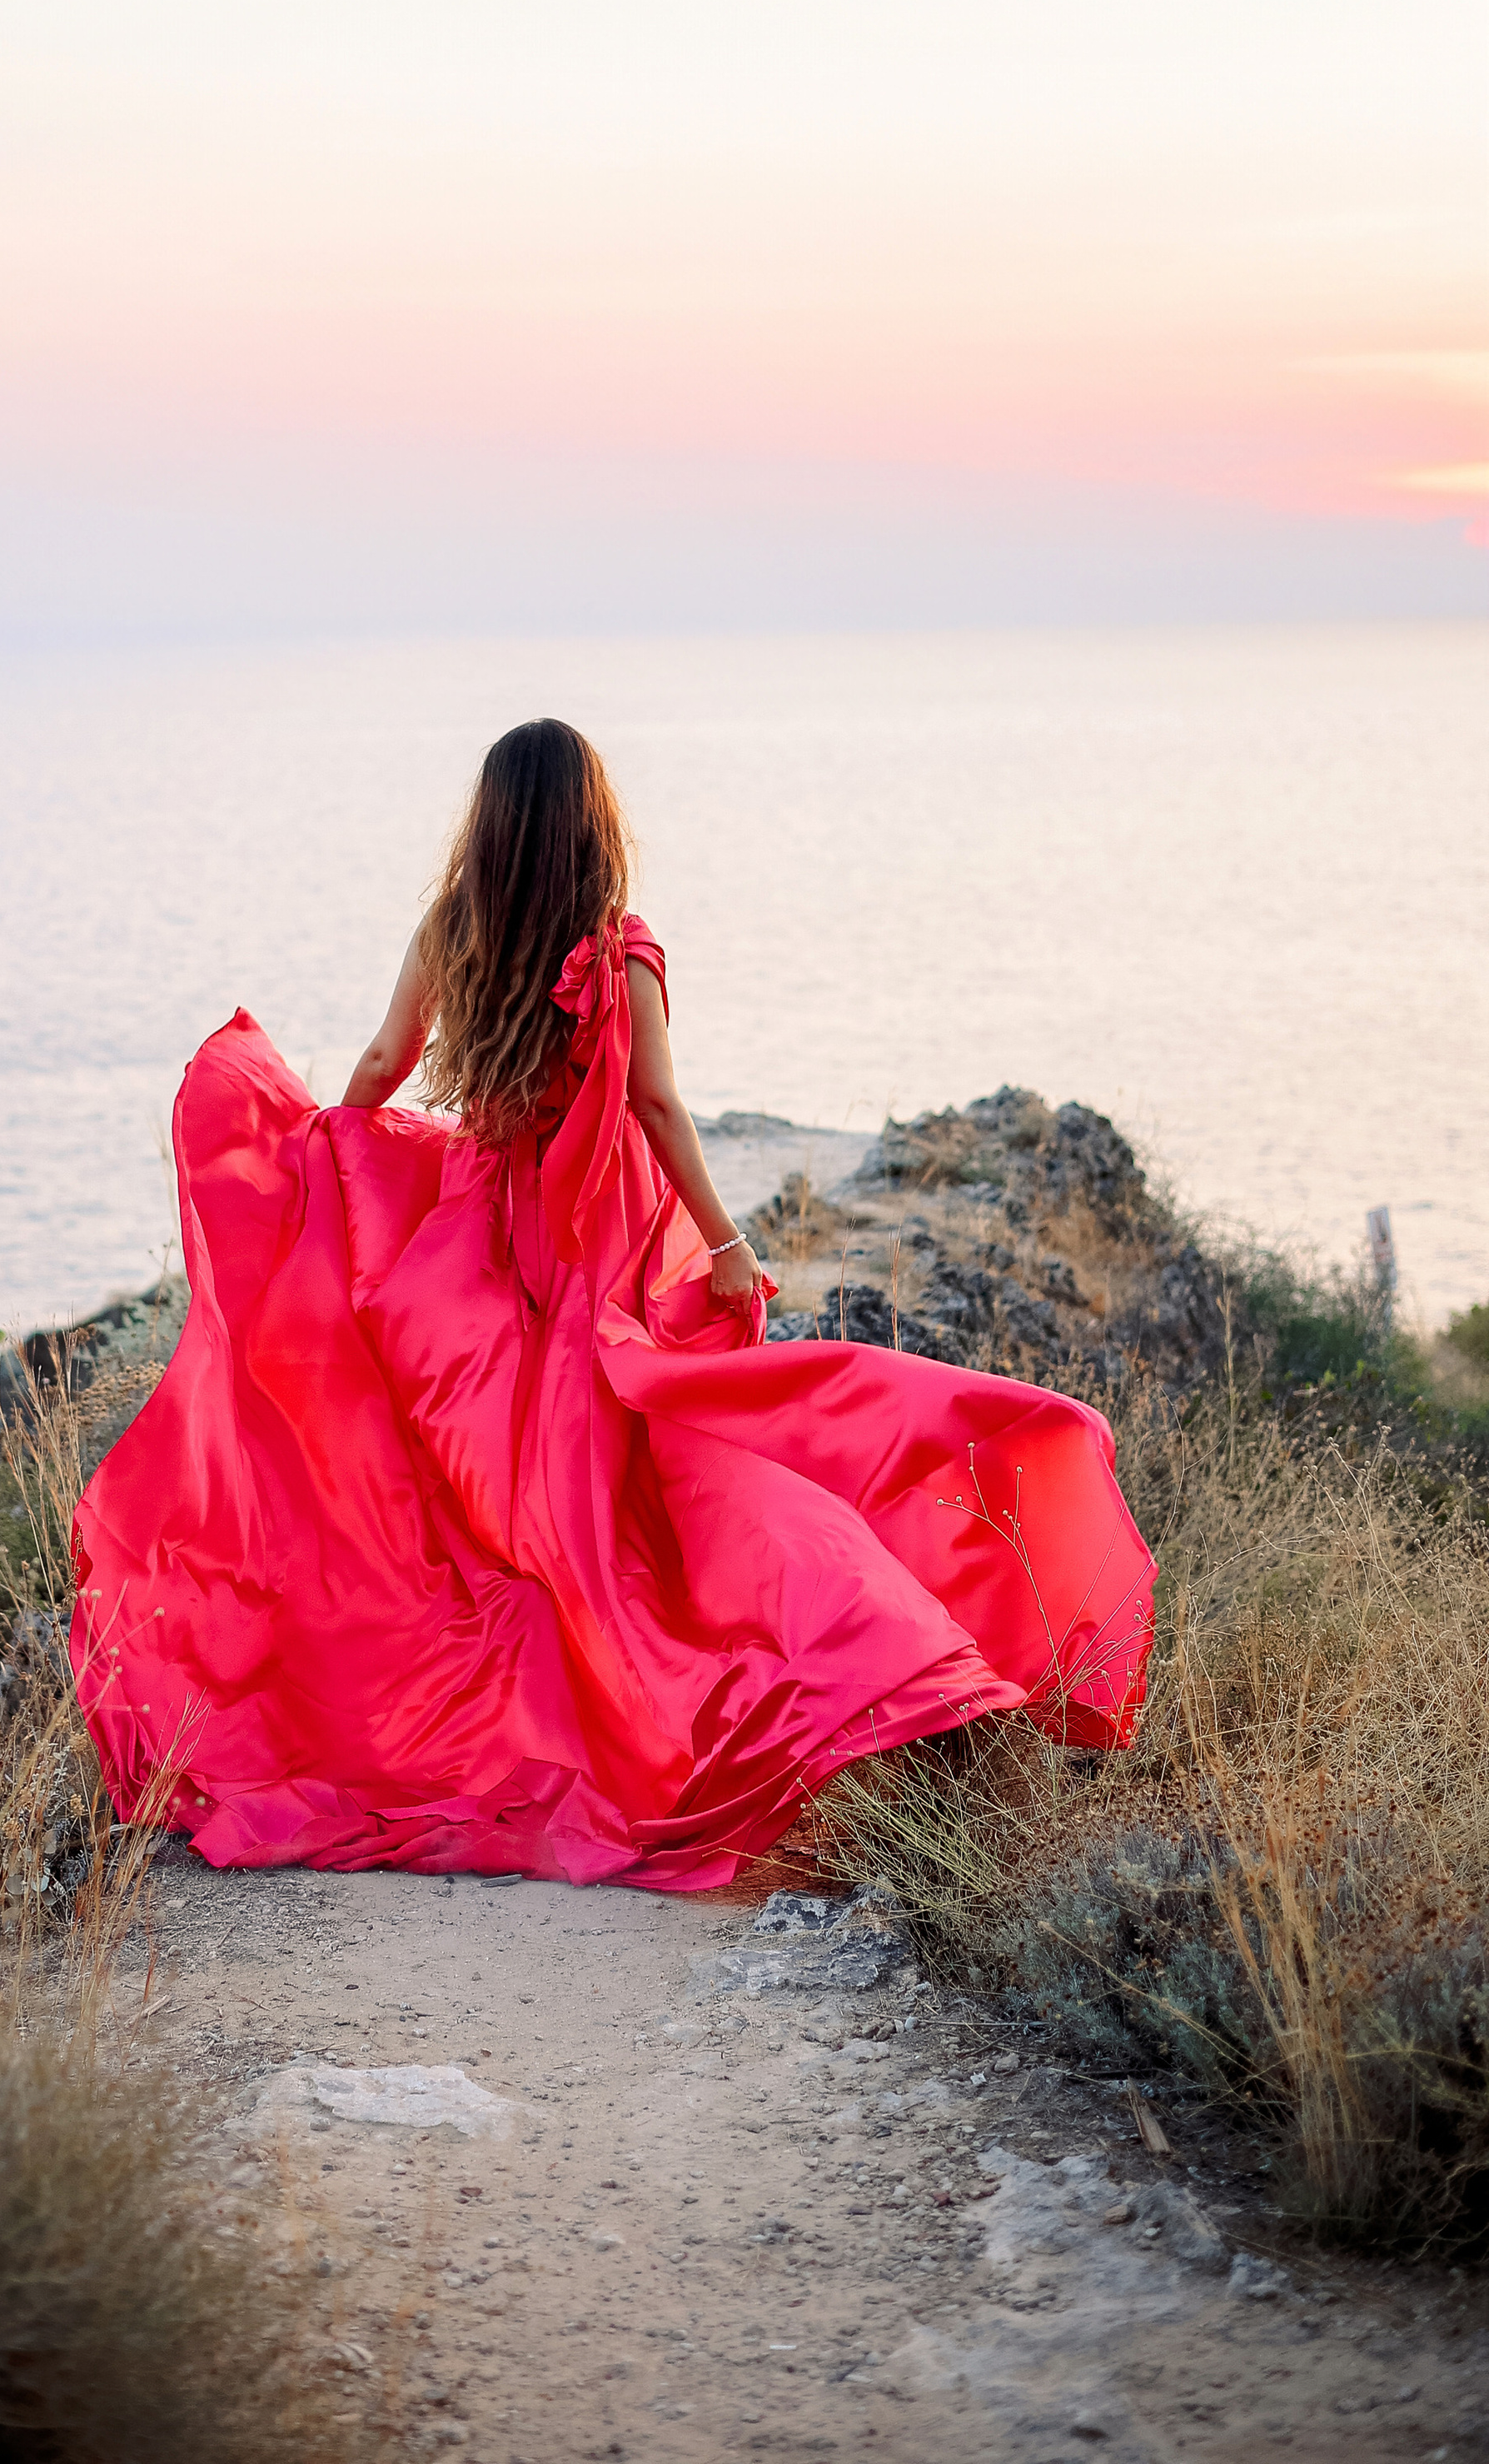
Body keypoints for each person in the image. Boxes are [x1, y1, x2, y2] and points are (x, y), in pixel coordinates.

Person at [70, 719, 1153, 1889]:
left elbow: (382, 1069)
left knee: (512, 1512)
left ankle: (571, 1711)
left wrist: (329, 1174)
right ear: (594, 823)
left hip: (466, 1252)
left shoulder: (451, 931)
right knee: (665, 1483)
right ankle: (877, 1679)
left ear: (485, 823)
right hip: (593, 1256)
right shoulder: (617, 954)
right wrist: (729, 1244)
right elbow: (657, 1110)